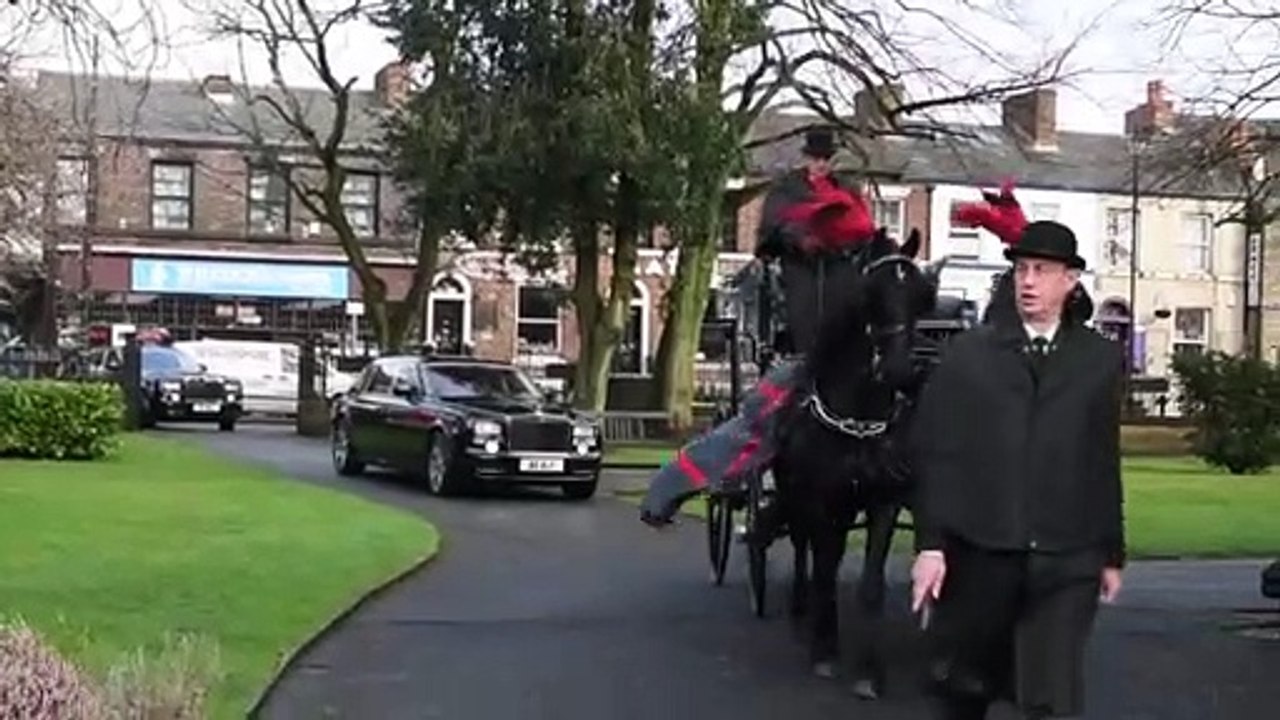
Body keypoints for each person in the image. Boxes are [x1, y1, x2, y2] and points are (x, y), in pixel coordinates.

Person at [907, 220, 1127, 720]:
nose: (1028, 281)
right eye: (1022, 269)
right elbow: (937, 453)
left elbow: (1101, 459)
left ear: (1070, 280)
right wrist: (931, 545)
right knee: (966, 689)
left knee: (1052, 696)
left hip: (1068, 556)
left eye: (1042, 270)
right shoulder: (969, 355)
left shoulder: (1098, 359)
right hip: (983, 552)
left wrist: (1111, 552)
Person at [754, 126, 874, 356]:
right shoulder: (787, 188)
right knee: (803, 309)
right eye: (816, 158)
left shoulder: (847, 188)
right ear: (806, 158)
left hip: (839, 263)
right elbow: (774, 226)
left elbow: (861, 225)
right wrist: (800, 239)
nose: (821, 164)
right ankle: (802, 352)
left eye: (826, 159)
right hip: (800, 265)